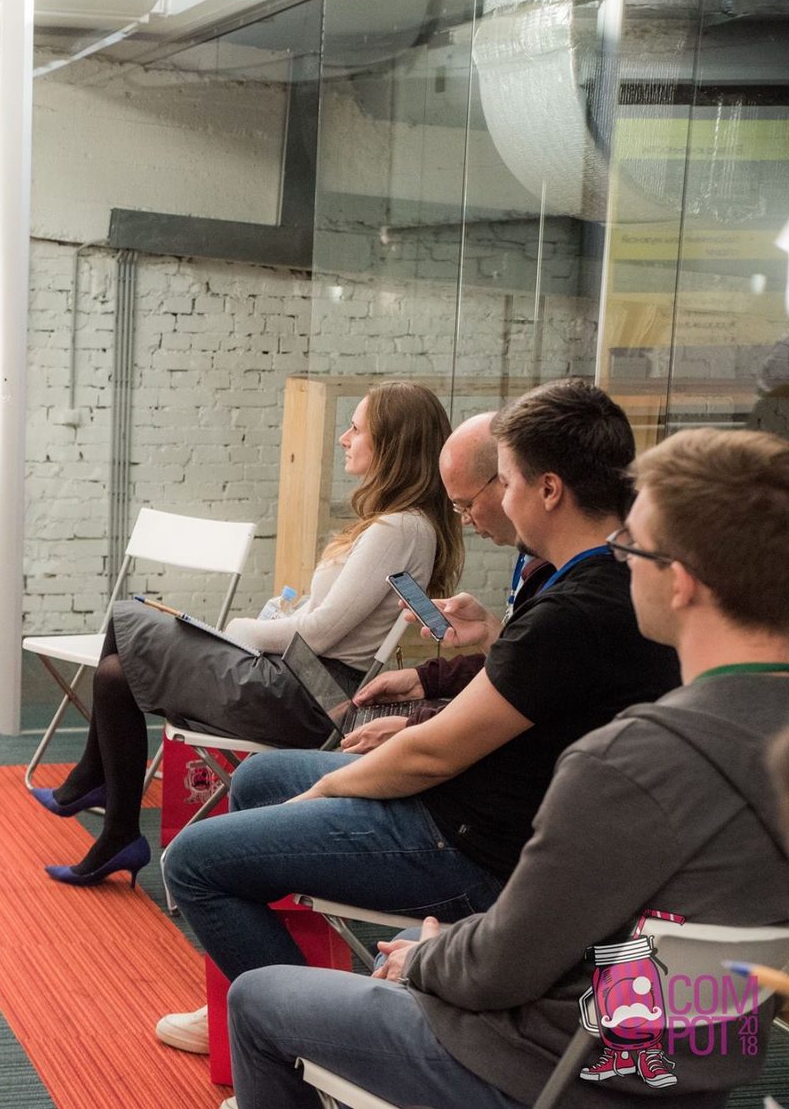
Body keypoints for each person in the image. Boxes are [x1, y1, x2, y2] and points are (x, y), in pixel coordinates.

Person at [227, 426, 789, 1109]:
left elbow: (502, 967)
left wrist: (429, 957)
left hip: (553, 1073)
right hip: (692, 1074)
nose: (618, 559)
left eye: (630, 545)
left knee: (258, 998)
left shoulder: (629, 760)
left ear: (684, 583)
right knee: (414, 943)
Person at [157, 379, 682, 1054]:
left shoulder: (579, 604)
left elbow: (438, 756)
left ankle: (294, 1028)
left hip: (473, 844)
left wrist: (338, 784)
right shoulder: (590, 576)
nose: (492, 503)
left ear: (547, 488)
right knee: (260, 782)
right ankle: (272, 1000)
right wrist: (468, 664)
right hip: (486, 808)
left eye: (506, 481)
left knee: (193, 861)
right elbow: (531, 696)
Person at [32, 381, 465, 885]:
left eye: (356, 428)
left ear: (391, 444)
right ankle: (114, 825)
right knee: (114, 675)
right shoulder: (403, 526)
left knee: (129, 614)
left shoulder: (399, 529)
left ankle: (96, 789)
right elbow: (333, 623)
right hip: (303, 684)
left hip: (307, 697)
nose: (344, 438)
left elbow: (322, 634)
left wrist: (242, 629)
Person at [342, 410, 554, 753]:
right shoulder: (534, 559)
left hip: (480, 784)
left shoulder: (574, 588)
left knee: (264, 778)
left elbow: (521, 699)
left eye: (466, 505)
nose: (466, 520)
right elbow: (524, 669)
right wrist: (483, 633)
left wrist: (415, 725)